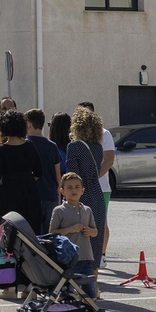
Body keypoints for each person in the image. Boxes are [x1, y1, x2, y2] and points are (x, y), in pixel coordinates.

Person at [0, 109, 44, 300]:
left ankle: (9, 286)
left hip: (8, 195)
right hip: (29, 194)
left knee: (7, 239)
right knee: (29, 239)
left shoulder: (2, 150)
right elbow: (39, 172)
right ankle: (29, 285)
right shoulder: (30, 146)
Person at [65, 105, 108, 266]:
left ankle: (80, 274)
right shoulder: (97, 147)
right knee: (95, 237)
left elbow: (72, 176)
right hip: (97, 192)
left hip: (81, 195)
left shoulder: (74, 146)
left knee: (78, 237)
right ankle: (94, 276)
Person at [52, 173, 100, 300]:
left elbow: (95, 232)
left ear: (82, 190)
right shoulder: (59, 210)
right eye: (70, 188)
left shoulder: (87, 210)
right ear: (62, 191)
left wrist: (90, 231)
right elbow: (52, 233)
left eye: (77, 187)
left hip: (86, 257)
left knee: (90, 295)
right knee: (65, 292)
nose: (74, 190)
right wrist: (69, 229)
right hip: (69, 259)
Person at [79, 101, 115, 261]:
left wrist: (93, 178)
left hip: (101, 186)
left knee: (101, 220)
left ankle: (101, 254)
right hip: (80, 187)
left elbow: (108, 160)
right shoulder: (76, 134)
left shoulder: (104, 134)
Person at [25, 109, 63, 235]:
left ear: (29, 124)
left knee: (32, 235)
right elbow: (58, 176)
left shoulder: (24, 144)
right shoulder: (52, 146)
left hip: (31, 196)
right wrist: (58, 198)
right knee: (49, 235)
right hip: (50, 195)